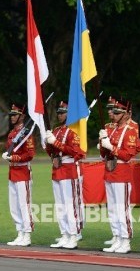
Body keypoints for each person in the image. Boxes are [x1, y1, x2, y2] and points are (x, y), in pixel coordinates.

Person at [99, 98, 140, 254]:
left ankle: (126, 239)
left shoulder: (129, 131)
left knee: (122, 208)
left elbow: (128, 155)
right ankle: (117, 236)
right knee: (113, 208)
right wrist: (102, 142)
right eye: (114, 112)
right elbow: (104, 154)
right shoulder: (113, 129)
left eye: (117, 112)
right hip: (110, 171)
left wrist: (111, 147)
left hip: (122, 172)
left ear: (125, 114)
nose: (114, 114)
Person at [45, 101, 85, 249]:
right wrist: (48, 144)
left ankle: (74, 235)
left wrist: (55, 143)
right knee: (60, 205)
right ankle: (65, 234)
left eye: (63, 112)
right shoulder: (56, 130)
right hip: (57, 169)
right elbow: (52, 152)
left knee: (70, 204)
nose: (60, 115)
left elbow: (76, 152)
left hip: (69, 168)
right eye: (59, 113)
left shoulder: (73, 131)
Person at [1, 103, 35, 247]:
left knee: (24, 205)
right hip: (13, 172)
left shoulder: (26, 132)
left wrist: (13, 158)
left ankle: (27, 234)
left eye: (15, 115)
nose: (12, 117)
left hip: (22, 172)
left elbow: (30, 154)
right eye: (11, 115)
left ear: (22, 116)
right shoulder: (12, 133)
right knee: (14, 206)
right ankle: (20, 232)